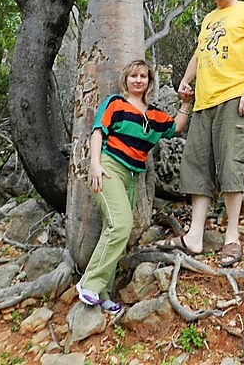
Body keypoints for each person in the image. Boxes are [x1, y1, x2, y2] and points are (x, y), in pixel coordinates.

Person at [158, 0, 244, 267]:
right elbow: (200, 53)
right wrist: (186, 79)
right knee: (196, 164)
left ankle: (232, 238)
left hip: (236, 98)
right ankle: (195, 236)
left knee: (231, 163)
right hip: (204, 102)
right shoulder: (209, 19)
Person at [76, 59, 192, 311]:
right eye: (133, 76)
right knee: (120, 225)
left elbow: (175, 129)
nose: (138, 80)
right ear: (126, 80)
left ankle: (103, 293)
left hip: (130, 177)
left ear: (150, 81)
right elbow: (98, 132)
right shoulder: (115, 103)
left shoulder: (154, 115)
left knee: (115, 229)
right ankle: (89, 284)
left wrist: (185, 103)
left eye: (143, 76)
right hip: (108, 168)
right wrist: (94, 164)